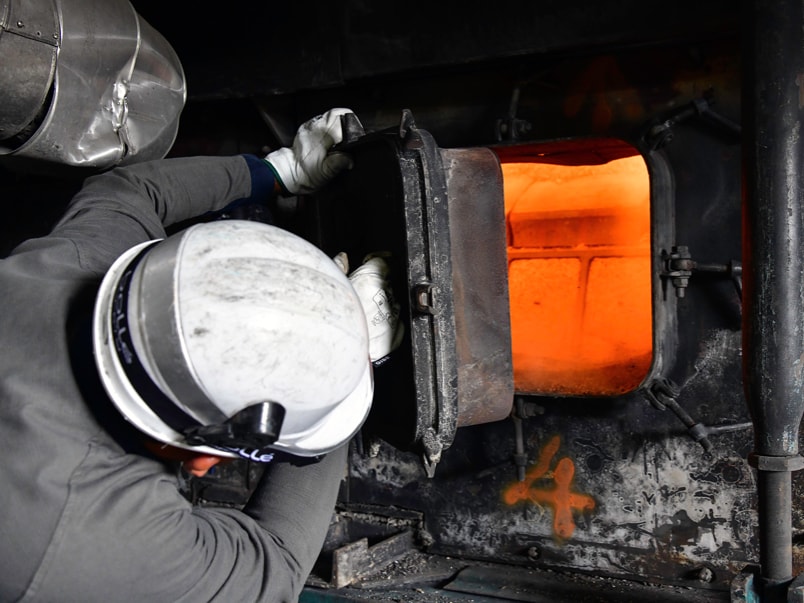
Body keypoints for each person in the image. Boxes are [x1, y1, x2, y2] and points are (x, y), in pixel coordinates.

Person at [0, 108, 399, 602]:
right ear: (205, 460)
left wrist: (279, 171)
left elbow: (129, 191)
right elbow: (276, 566)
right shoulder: (88, 535)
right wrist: (348, 360)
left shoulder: (71, 264)